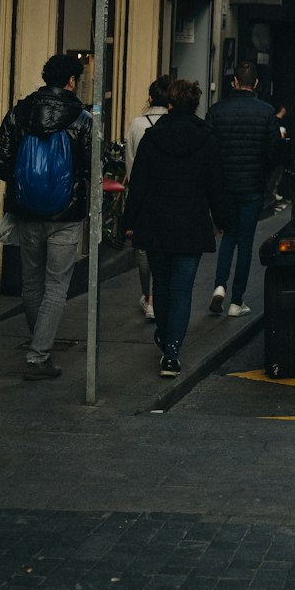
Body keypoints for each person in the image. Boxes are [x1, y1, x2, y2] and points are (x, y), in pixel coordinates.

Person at [0, 53, 92, 380]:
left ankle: (40, 345)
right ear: (70, 81)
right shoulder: (81, 118)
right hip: (66, 214)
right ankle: (39, 356)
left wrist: (24, 184)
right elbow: (92, 167)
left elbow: (1, 161)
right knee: (56, 285)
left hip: (27, 211)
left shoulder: (20, 112)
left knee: (32, 282)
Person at [123, 79, 226, 378]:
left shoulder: (153, 139)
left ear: (169, 104)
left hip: (155, 222)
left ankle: (165, 335)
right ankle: (171, 354)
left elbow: (139, 185)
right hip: (191, 223)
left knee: (163, 286)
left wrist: (127, 222)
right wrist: (222, 221)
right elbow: (215, 187)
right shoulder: (207, 139)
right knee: (182, 289)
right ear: (195, 105)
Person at [204, 61, 282, 317]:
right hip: (252, 186)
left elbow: (209, 151)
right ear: (256, 83)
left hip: (225, 187)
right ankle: (237, 301)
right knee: (246, 242)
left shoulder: (216, 111)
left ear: (234, 82)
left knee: (228, 236)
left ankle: (219, 286)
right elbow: (273, 153)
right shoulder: (266, 112)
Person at [124, 74, 170, 321]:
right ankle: (156, 296)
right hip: (168, 194)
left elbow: (130, 162)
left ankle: (147, 295)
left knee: (142, 249)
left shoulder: (136, 124)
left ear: (150, 97)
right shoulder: (174, 123)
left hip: (143, 194)